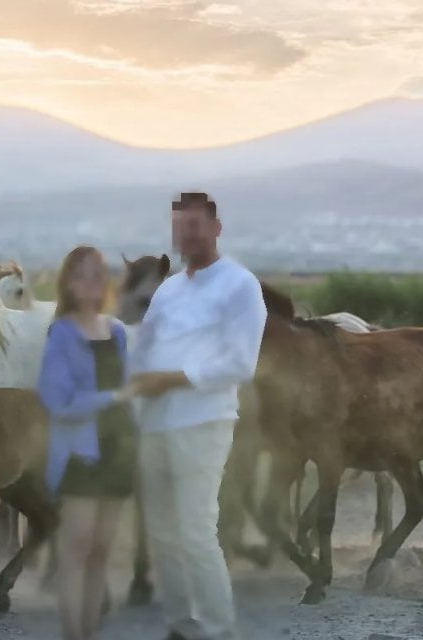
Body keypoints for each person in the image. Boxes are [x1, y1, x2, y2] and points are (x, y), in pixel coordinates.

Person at [128, 192, 267, 640]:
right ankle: (182, 626)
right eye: (178, 227)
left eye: (193, 226)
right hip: (153, 424)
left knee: (195, 531)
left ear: (215, 229)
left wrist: (171, 379)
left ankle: (218, 629)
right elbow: (143, 350)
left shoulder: (239, 285)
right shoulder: (169, 289)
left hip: (203, 421)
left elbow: (241, 364)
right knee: (162, 534)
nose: (184, 235)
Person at [37, 245, 139, 640]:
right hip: (81, 453)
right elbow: (57, 402)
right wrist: (111, 399)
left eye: (98, 273)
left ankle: (90, 633)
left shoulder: (115, 331)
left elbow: (130, 387)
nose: (91, 281)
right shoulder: (60, 333)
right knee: (76, 551)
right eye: (81, 274)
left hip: (118, 449)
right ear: (68, 282)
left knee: (101, 552)